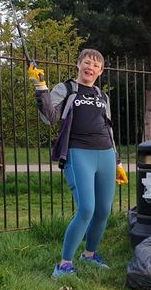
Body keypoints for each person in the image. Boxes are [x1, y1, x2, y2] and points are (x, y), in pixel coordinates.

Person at [29, 49, 128, 278]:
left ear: (100, 71)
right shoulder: (66, 88)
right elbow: (49, 118)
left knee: (103, 210)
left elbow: (109, 128)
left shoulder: (102, 96)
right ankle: (64, 264)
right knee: (86, 209)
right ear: (78, 64)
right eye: (87, 62)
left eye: (95, 65)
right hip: (78, 152)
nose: (90, 67)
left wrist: (117, 161)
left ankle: (89, 255)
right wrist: (40, 87)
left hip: (105, 154)